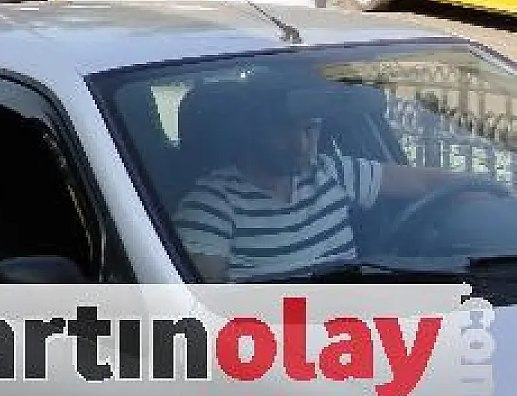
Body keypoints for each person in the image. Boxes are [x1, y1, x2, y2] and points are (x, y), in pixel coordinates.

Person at [173, 77, 454, 281]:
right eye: (284, 131)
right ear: (252, 131)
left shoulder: (331, 171)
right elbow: (201, 304)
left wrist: (496, 193)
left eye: (310, 129)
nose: (301, 145)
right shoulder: (210, 205)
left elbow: (426, 184)